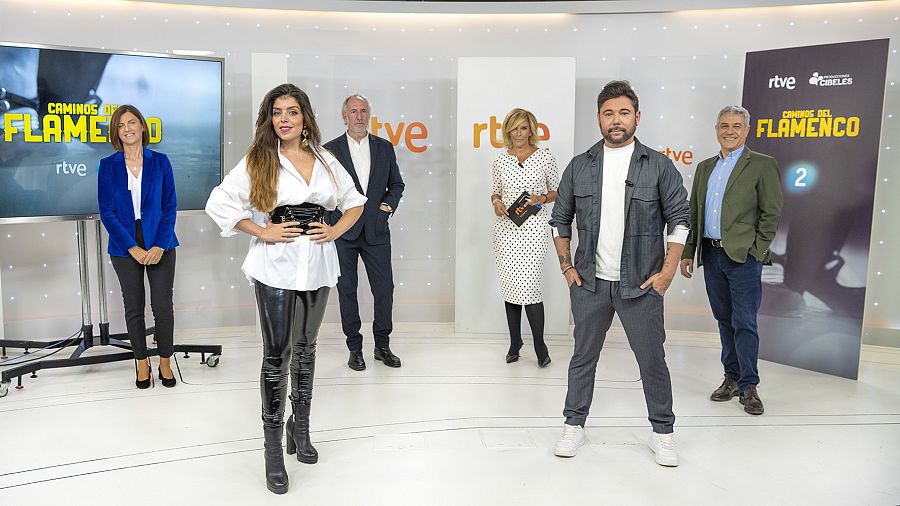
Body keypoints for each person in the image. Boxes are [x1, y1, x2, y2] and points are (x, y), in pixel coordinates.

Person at [205, 84, 365, 495]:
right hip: (274, 266)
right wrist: (260, 229)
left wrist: (334, 231)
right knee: (277, 355)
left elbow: (355, 202)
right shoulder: (260, 159)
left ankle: (302, 429)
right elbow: (219, 201)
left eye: (292, 111)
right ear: (270, 119)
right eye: (277, 112)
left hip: (317, 264)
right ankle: (272, 452)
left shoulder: (327, 159)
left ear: (304, 116)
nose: (285, 119)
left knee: (307, 349)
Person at [549, 80, 690, 467]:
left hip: (642, 286)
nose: (616, 120)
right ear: (598, 118)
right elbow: (559, 219)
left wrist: (666, 274)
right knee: (582, 358)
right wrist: (566, 266)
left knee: (652, 361)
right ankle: (574, 424)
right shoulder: (579, 165)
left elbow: (680, 220)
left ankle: (663, 432)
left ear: (637, 117)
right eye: (608, 113)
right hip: (590, 284)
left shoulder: (659, 165)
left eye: (623, 113)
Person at [679, 105, 783, 416]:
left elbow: (771, 212)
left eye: (737, 125)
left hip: (743, 257)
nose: (730, 131)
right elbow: (694, 213)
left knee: (745, 322)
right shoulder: (705, 167)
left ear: (747, 130)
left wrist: (758, 250)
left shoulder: (762, 165)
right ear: (716, 129)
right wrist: (688, 250)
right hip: (711, 255)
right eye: (724, 125)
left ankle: (749, 386)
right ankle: (732, 377)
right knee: (724, 321)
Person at [98, 105, 178, 390]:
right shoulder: (108, 165)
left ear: (143, 127)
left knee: (162, 307)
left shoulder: (161, 161)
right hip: (124, 244)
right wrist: (132, 248)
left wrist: (159, 244)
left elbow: (170, 207)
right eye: (121, 125)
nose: (128, 128)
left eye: (132, 122)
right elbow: (106, 212)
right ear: (115, 132)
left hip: (160, 240)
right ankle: (141, 364)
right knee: (134, 308)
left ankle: (165, 362)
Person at [323, 94, 405, 371]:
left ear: (369, 114)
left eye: (363, 111)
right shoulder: (329, 150)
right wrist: (332, 221)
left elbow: (397, 185)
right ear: (344, 116)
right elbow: (322, 192)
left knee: (384, 290)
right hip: (343, 232)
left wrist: (386, 208)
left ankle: (382, 346)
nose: (358, 116)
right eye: (353, 112)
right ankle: (354, 349)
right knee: (347, 290)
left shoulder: (384, 147)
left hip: (377, 231)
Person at [490, 108, 558, 367]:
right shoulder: (500, 160)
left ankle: (540, 345)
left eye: (523, 128)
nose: (518, 133)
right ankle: (515, 342)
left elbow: (556, 191)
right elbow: (495, 192)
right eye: (514, 128)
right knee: (510, 287)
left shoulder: (544, 158)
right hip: (506, 229)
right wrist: (497, 203)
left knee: (529, 288)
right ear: (507, 130)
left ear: (531, 130)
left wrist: (541, 198)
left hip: (534, 229)